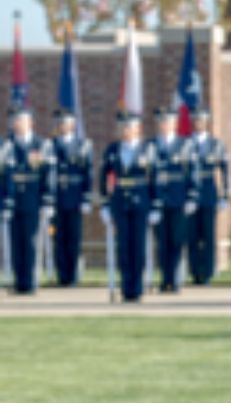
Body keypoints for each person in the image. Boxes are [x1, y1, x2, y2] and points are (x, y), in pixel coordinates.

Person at [98, 111, 159, 302]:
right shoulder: (112, 150)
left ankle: (138, 287)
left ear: (137, 129)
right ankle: (126, 287)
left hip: (141, 202)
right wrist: (105, 203)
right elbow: (103, 177)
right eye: (123, 127)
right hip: (120, 203)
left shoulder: (147, 149)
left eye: (129, 126)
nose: (125, 130)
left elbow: (154, 179)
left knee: (139, 247)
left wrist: (155, 205)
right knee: (124, 247)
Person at [2, 105, 57, 295]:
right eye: (15, 120)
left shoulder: (41, 145)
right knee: (16, 242)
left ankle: (32, 280)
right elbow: (4, 175)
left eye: (21, 120)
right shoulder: (6, 145)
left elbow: (48, 174)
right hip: (13, 199)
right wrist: (5, 202)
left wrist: (47, 200)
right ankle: (20, 282)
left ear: (30, 123)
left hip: (33, 199)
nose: (17, 123)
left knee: (32, 241)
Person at [149, 106, 198, 293]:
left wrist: (192, 196)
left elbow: (192, 171)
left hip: (179, 200)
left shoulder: (184, 145)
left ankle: (176, 279)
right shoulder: (151, 145)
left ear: (174, 124)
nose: (164, 125)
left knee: (177, 241)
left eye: (168, 121)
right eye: (161, 122)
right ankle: (165, 279)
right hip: (159, 201)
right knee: (162, 243)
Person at [50, 107, 94, 286]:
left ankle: (74, 275)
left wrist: (86, 198)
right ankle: (62, 276)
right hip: (57, 198)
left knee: (74, 238)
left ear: (73, 125)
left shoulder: (83, 145)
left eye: (66, 123)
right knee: (57, 237)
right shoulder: (50, 145)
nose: (62, 126)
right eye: (60, 123)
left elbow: (88, 173)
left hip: (75, 198)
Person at [188, 108, 229, 286]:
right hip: (191, 194)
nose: (199, 123)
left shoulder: (216, 144)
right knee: (192, 236)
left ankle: (208, 273)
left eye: (202, 120)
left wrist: (224, 195)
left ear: (207, 122)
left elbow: (225, 171)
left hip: (209, 193)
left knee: (209, 235)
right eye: (196, 120)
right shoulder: (186, 143)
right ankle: (195, 272)